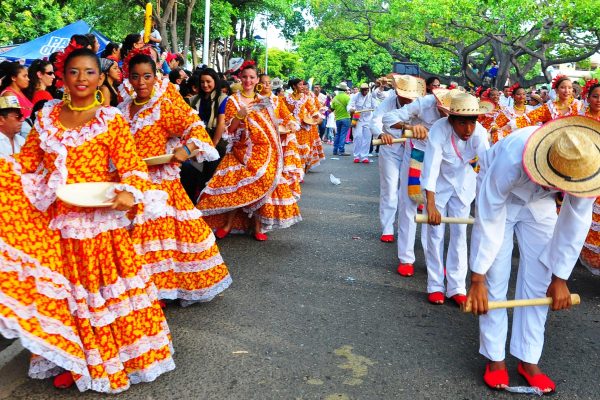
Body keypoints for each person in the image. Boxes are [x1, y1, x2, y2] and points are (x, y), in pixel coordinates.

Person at [1, 45, 174, 392]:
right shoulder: (47, 115)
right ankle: (70, 355)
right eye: (74, 72)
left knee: (97, 292)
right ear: (63, 78)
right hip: (58, 219)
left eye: (89, 72)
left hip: (99, 222)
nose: (82, 78)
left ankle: (103, 360)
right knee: (66, 294)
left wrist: (129, 193)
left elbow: (132, 168)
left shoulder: (110, 119)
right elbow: (30, 163)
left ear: (100, 79)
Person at [466, 117, 599, 394]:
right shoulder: (514, 156)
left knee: (540, 281)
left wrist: (560, 277)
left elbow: (575, 222)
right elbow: (488, 216)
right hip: (501, 197)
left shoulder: (587, 164)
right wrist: (477, 278)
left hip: (540, 201)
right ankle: (495, 358)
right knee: (495, 275)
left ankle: (528, 359)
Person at [118, 52, 231, 304]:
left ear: (156, 76)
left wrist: (187, 150)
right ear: (129, 79)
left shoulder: (163, 106)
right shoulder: (121, 110)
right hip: (128, 184)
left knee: (160, 239)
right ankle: (139, 291)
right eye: (135, 77)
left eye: (147, 76)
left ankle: (159, 292)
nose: (141, 82)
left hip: (160, 185)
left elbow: (196, 130)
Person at [197, 63, 301, 241]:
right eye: (245, 77)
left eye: (252, 77)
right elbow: (229, 130)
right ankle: (227, 224)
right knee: (235, 185)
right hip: (240, 151)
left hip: (264, 151)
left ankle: (257, 225)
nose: (248, 81)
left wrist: (291, 123)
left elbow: (283, 118)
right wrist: (240, 115)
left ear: (257, 80)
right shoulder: (233, 100)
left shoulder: (265, 101)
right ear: (240, 78)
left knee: (264, 182)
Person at [420, 93, 491, 305]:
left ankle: (457, 287)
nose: (468, 129)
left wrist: (488, 207)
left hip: (464, 185)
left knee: (460, 235)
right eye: (462, 123)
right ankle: (435, 285)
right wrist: (431, 205)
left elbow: (487, 168)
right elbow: (430, 168)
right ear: (451, 120)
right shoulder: (439, 130)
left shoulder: (480, 133)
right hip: (439, 186)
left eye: (472, 122)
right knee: (434, 234)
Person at [383, 87, 458, 271]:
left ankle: (433, 259)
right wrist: (409, 127)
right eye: (444, 111)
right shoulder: (424, 103)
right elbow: (388, 118)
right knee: (409, 205)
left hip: (443, 159)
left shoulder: (462, 109)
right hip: (418, 154)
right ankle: (406, 259)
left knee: (435, 209)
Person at [374, 74, 426, 242]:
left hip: (413, 149)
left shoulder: (421, 103)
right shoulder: (387, 103)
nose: (408, 100)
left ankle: (407, 232)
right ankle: (387, 227)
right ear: (397, 93)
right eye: (404, 97)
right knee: (389, 188)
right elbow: (375, 120)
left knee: (410, 188)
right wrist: (381, 134)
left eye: (411, 97)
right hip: (391, 147)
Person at [182, 67, 229, 202]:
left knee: (209, 174)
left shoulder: (222, 98)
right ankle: (192, 202)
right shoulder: (195, 100)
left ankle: (206, 204)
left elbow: (221, 123)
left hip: (216, 140)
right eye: (202, 82)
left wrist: (212, 146)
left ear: (215, 81)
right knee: (191, 172)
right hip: (197, 140)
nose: (205, 85)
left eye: (208, 81)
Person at [578, 80, 600, 274]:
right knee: (583, 218)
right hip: (582, 176)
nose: (599, 100)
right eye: (595, 96)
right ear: (587, 97)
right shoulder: (578, 118)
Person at [509, 75, 583, 129]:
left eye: (570, 88)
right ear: (556, 90)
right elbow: (528, 118)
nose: (567, 91)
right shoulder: (549, 107)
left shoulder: (579, 105)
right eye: (562, 87)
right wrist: (508, 126)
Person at [282, 78, 318, 169]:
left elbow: (312, 109)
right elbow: (282, 111)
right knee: (293, 149)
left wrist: (317, 117)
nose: (302, 87)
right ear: (294, 86)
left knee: (304, 149)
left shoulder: (305, 98)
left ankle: (301, 170)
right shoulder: (286, 98)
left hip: (303, 128)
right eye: (300, 85)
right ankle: (295, 171)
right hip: (291, 128)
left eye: (303, 84)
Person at [348, 83, 377, 163]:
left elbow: (375, 106)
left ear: (368, 90)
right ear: (360, 90)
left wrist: (375, 110)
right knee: (358, 137)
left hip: (368, 119)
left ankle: (364, 156)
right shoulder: (355, 96)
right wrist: (351, 109)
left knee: (367, 138)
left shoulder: (371, 96)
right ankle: (356, 156)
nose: (365, 91)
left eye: (366, 90)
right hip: (358, 119)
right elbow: (350, 105)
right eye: (363, 90)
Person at [330, 82, 352, 156]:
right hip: (346, 118)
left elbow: (331, 109)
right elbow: (350, 108)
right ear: (345, 90)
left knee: (338, 134)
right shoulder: (347, 97)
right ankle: (341, 150)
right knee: (343, 135)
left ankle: (335, 150)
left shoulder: (335, 98)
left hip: (338, 119)